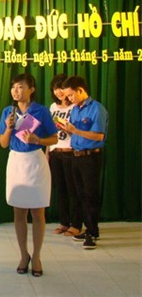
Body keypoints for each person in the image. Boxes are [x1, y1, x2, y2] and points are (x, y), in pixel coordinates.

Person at [0, 73, 58, 277]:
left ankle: (37, 256)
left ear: (31, 89)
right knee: (19, 212)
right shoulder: (8, 112)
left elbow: (54, 138)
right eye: (13, 87)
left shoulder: (41, 111)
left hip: (35, 161)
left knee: (38, 212)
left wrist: (37, 140)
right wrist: (8, 128)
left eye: (21, 87)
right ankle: (24, 255)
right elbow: (3, 143)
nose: (16, 91)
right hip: (16, 162)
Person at [59, 75, 109, 250]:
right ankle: (87, 228)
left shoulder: (97, 109)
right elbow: (75, 132)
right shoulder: (75, 110)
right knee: (79, 194)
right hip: (76, 155)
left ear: (80, 90)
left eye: (71, 95)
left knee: (90, 195)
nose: (69, 99)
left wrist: (75, 130)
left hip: (90, 157)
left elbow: (98, 136)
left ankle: (92, 232)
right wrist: (66, 129)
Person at [47, 73, 82, 237]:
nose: (59, 92)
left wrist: (68, 128)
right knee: (60, 189)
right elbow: (49, 132)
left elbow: (79, 130)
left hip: (70, 151)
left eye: (61, 88)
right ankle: (64, 222)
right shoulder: (52, 107)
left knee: (73, 189)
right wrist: (47, 152)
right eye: (55, 89)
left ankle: (76, 224)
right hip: (56, 152)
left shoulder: (75, 106)